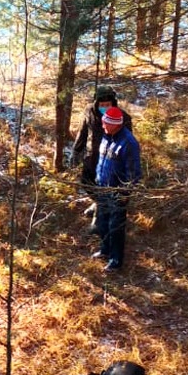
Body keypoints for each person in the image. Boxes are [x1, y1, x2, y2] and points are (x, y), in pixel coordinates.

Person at [71, 85, 133, 225]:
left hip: (110, 160)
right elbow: (83, 132)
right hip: (91, 157)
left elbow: (128, 143)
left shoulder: (123, 118)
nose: (104, 107)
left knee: (105, 188)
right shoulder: (89, 112)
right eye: (102, 104)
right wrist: (76, 150)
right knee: (87, 183)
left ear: (113, 103)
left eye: (108, 104)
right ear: (96, 103)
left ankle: (98, 220)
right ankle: (97, 203)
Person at [92, 106, 141, 272]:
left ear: (115, 124)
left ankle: (116, 260)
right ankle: (105, 250)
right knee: (102, 222)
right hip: (102, 188)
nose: (103, 125)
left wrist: (124, 193)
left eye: (106, 123)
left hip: (118, 193)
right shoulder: (107, 136)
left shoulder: (129, 143)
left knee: (116, 227)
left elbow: (134, 173)